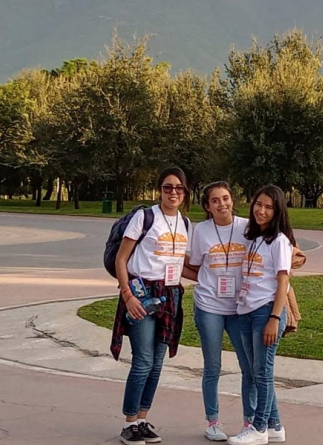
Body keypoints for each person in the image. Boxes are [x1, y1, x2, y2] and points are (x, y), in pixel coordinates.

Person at [111, 167, 191, 445]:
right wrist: (127, 296)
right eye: (168, 187)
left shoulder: (185, 223)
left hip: (170, 295)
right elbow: (122, 259)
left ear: (185, 192)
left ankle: (143, 420)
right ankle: (129, 423)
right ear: (160, 189)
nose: (173, 192)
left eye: (179, 188)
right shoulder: (144, 217)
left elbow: (181, 266)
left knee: (157, 363)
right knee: (143, 360)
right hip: (142, 294)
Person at [185, 181, 258, 441]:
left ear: (232, 201)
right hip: (209, 307)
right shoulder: (201, 231)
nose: (222, 204)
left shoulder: (247, 227)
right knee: (212, 366)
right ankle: (213, 421)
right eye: (215, 200)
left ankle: (250, 422)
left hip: (241, 307)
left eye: (225, 198)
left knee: (249, 367)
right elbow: (190, 264)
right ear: (207, 206)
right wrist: (207, 281)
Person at [228, 185, 294, 445]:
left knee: (262, 372)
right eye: (259, 204)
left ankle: (259, 428)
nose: (262, 210)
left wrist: (274, 319)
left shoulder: (280, 241)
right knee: (257, 373)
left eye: (269, 207)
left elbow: (283, 283)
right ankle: (275, 425)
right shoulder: (255, 238)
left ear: (277, 212)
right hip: (246, 310)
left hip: (266, 312)